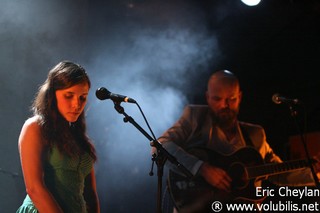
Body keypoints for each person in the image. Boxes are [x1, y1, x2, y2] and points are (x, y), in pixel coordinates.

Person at [156, 70, 320, 212]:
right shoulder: (194, 117)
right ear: (207, 97)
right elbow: (161, 145)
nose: (224, 105)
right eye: (217, 98)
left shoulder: (255, 134)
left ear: (240, 96)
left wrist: (314, 173)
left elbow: (281, 175)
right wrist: (202, 168)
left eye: (231, 99)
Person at [16, 61, 100, 213]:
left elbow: (91, 194)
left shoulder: (79, 137)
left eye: (83, 97)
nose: (77, 104)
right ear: (52, 95)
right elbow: (34, 188)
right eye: (69, 96)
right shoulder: (35, 127)